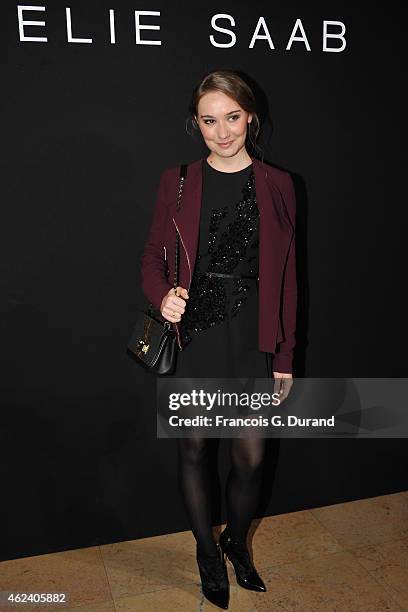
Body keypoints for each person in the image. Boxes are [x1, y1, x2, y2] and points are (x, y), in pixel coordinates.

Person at [141, 69, 297, 610]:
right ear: (197, 124)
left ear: (249, 116)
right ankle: (208, 553)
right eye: (210, 121)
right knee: (195, 449)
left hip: (252, 334)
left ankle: (236, 543)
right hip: (197, 334)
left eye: (232, 117)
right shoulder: (177, 179)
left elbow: (288, 275)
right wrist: (163, 295)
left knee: (251, 457)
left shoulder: (279, 183)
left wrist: (284, 353)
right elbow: (153, 257)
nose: (223, 131)